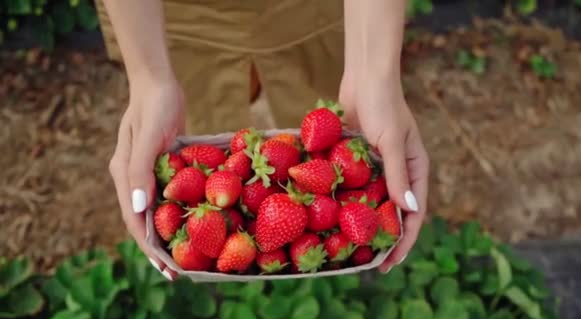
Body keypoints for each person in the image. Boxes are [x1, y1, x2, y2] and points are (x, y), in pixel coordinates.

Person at [102, 0, 429, 281]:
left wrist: (373, 73)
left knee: (333, 121)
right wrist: (150, 78)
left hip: (319, 13)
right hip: (169, 20)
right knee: (202, 126)